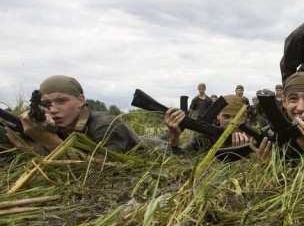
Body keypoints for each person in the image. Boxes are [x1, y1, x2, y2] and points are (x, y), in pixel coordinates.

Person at [5, 75, 141, 154]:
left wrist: (48, 141)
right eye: (46, 103)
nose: (52, 109)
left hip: (157, 147)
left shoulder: (105, 126)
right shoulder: (51, 123)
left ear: (80, 101)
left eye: (61, 101)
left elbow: (102, 172)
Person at [163, 95, 266, 159]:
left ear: (245, 117)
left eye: (236, 117)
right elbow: (180, 156)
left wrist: (243, 152)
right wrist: (174, 135)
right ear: (218, 116)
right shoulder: (206, 134)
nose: (232, 122)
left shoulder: (254, 138)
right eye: (226, 116)